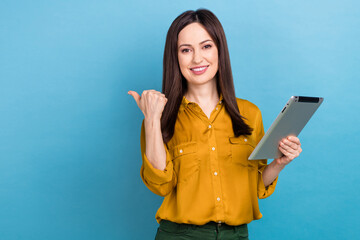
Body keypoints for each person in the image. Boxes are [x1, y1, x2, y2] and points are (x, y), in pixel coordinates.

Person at [128, 9, 302, 240]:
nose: (197, 58)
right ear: (175, 57)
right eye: (186, 50)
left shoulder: (250, 114)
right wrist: (151, 119)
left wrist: (279, 163)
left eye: (206, 46)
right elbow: (160, 185)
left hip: (236, 235)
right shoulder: (158, 116)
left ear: (220, 50)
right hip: (181, 235)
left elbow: (256, 186)